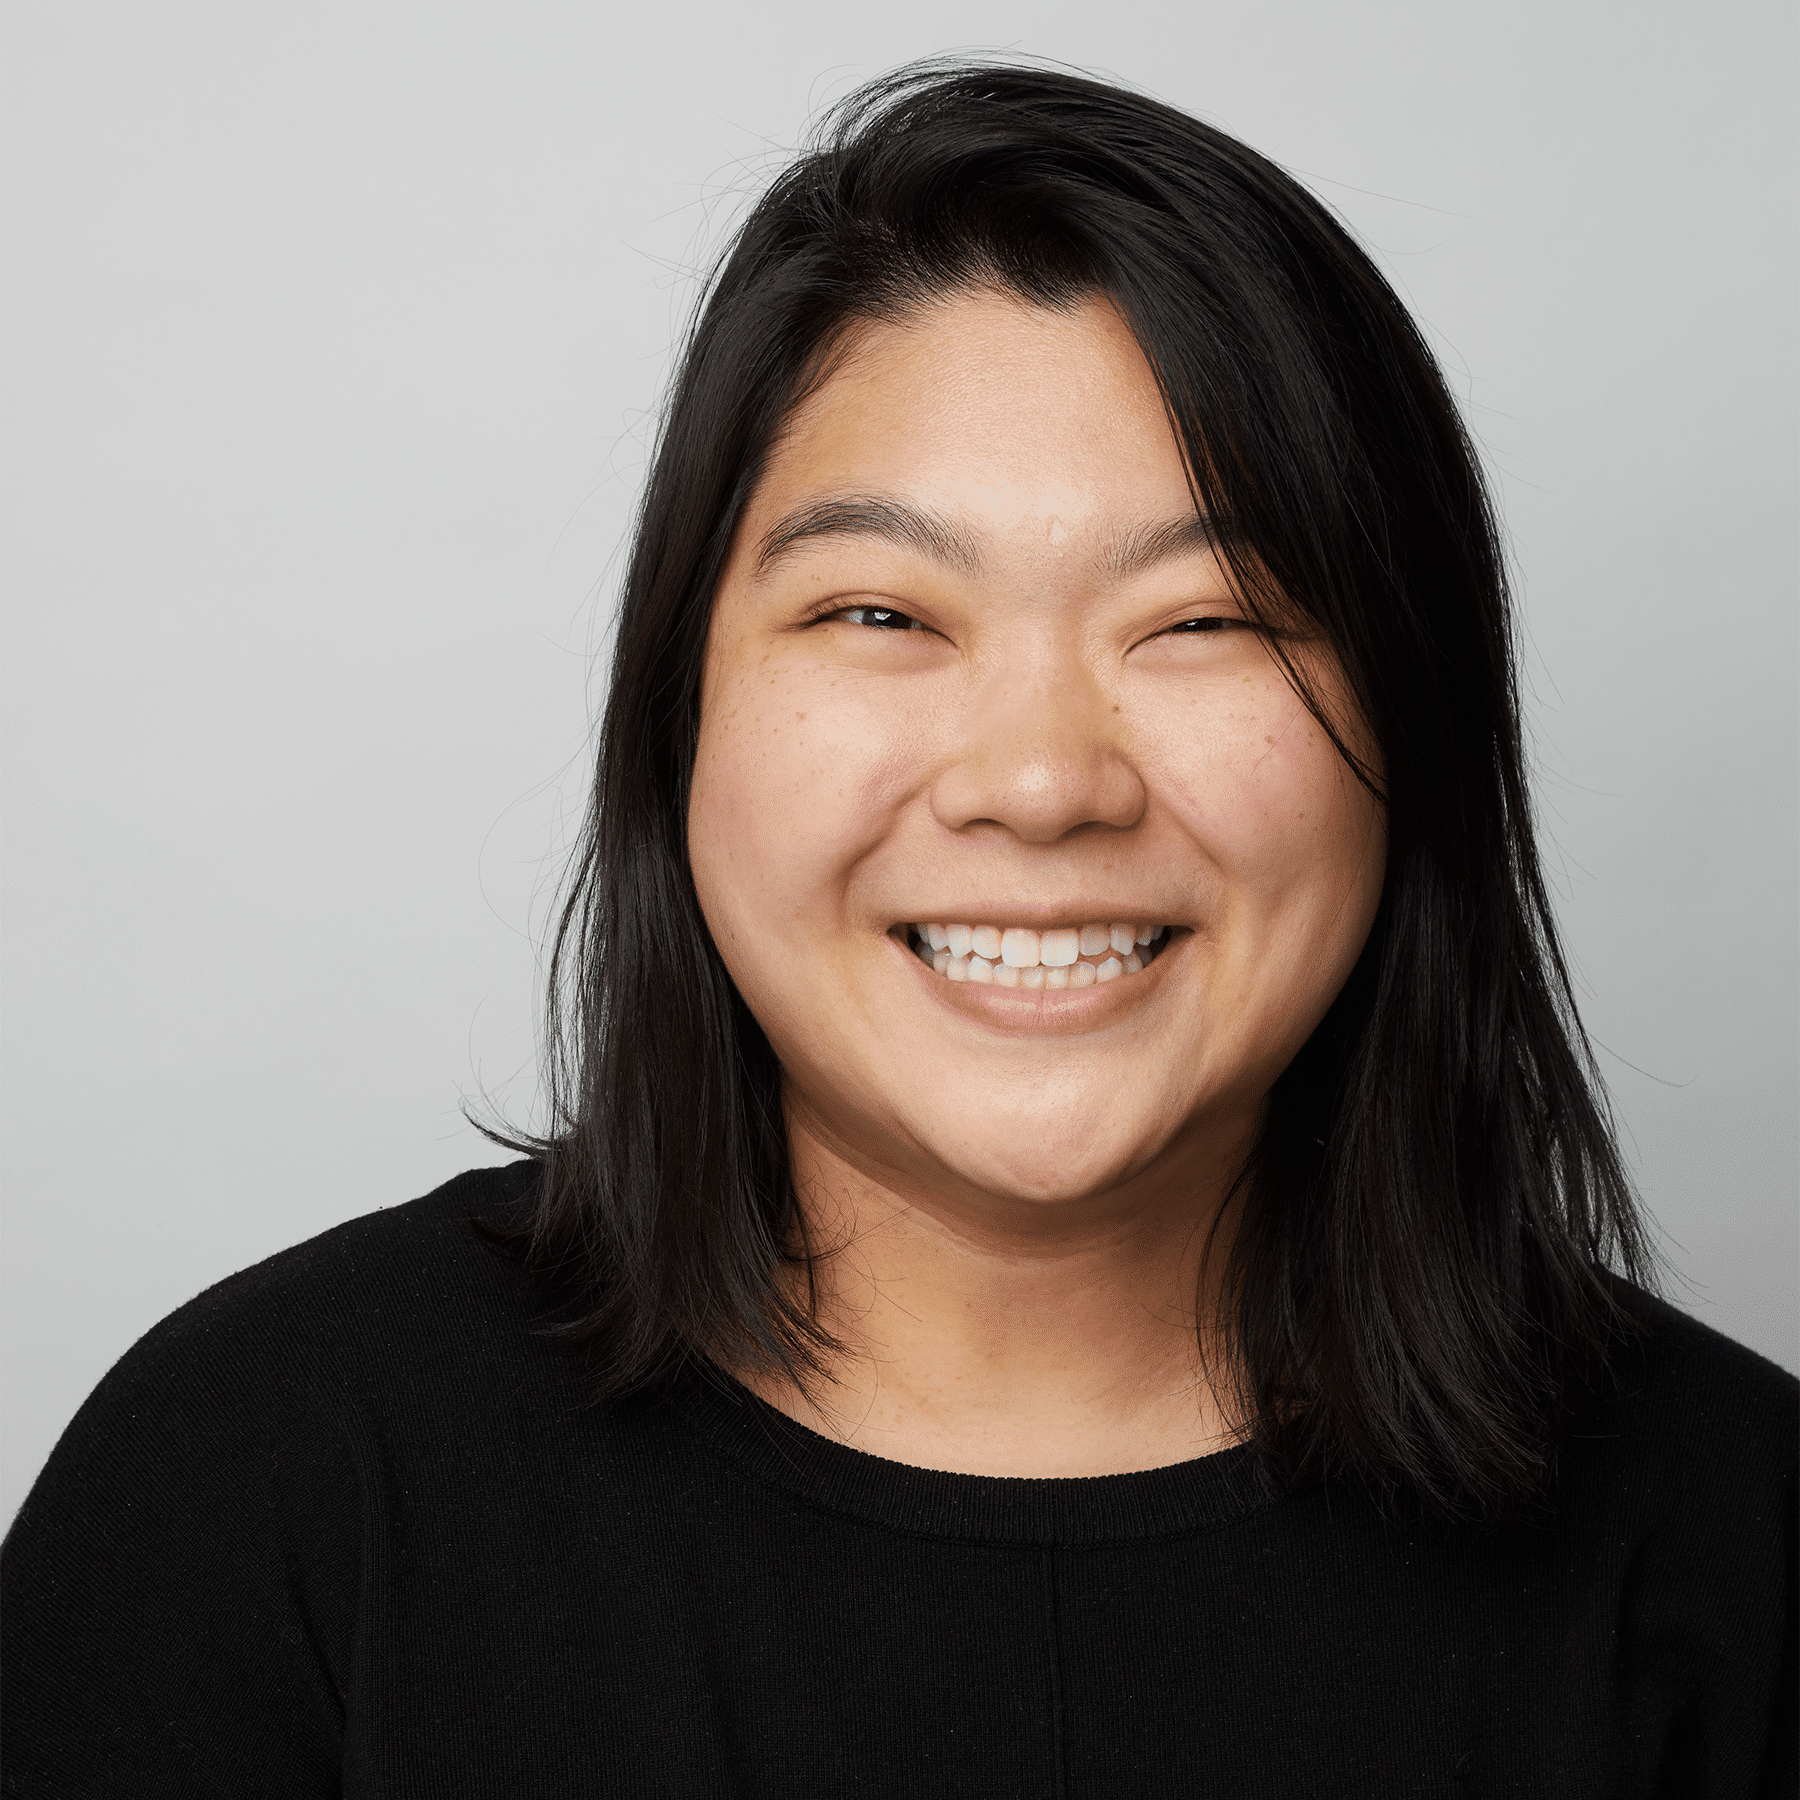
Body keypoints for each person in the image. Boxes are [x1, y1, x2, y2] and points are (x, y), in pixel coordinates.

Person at [3, 61, 1793, 1797]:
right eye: (879, 611)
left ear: (1416, 729)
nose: (1037, 782)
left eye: (1204, 620)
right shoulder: (261, 1497)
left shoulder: (1740, 1554)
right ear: (677, 717)